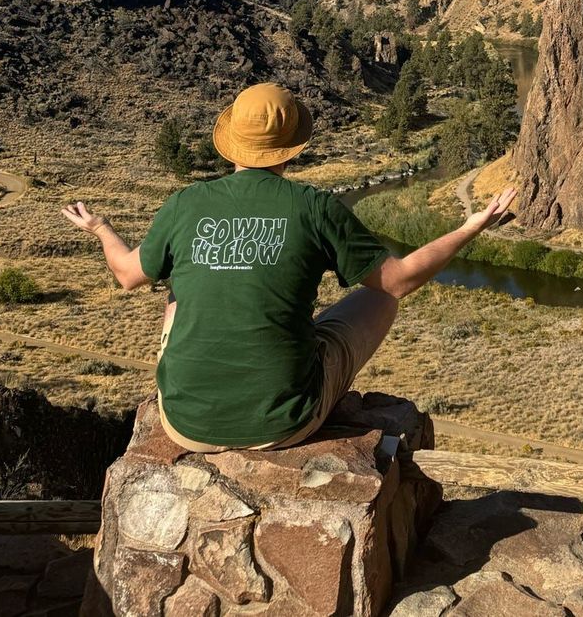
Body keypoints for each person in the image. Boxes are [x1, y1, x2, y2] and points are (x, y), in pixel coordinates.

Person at [62, 81, 516, 451]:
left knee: (179, 294)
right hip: (285, 423)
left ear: (231, 143)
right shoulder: (314, 206)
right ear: (293, 148)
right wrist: (470, 227)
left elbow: (127, 275)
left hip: (184, 422)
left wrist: (102, 228)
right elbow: (399, 282)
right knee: (379, 298)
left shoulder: (186, 203)